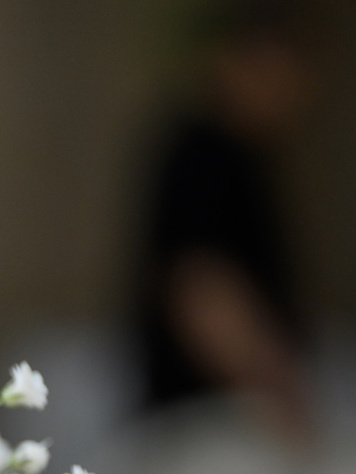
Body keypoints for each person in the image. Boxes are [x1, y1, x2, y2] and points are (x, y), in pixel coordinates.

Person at [134, 0, 319, 439]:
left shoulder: (247, 158)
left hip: (229, 415)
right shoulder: (203, 154)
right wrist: (282, 391)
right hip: (204, 421)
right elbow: (202, 291)